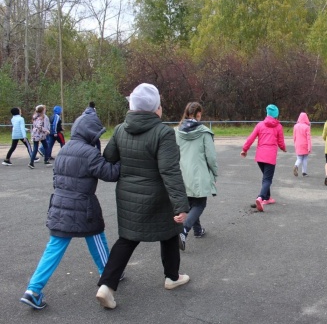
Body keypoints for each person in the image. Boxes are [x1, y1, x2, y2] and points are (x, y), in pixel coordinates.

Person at [96, 83, 190, 309]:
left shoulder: (119, 129)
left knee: (127, 239)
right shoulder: (163, 132)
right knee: (169, 232)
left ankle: (106, 286)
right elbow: (170, 171)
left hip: (128, 195)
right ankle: (172, 277)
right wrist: (181, 205)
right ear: (156, 109)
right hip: (158, 195)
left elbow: (109, 158)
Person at [19, 110, 121, 310]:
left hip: (59, 204)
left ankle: (33, 290)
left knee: (54, 248)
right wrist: (121, 160)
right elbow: (110, 173)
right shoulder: (90, 153)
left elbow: (56, 178)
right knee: (97, 238)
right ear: (90, 133)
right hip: (84, 206)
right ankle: (108, 273)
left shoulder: (64, 150)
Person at [175, 102, 218, 251]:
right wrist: (215, 172)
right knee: (199, 204)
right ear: (198, 114)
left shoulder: (176, 131)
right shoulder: (204, 132)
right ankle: (184, 230)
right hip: (199, 174)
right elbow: (211, 157)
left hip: (182, 173)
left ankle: (198, 230)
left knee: (192, 202)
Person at [240, 104, 286, 212]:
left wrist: (244, 149)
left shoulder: (260, 125)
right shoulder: (278, 127)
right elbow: (280, 142)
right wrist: (283, 148)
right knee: (267, 179)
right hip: (270, 157)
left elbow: (251, 138)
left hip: (260, 157)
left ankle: (267, 197)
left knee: (266, 177)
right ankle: (260, 198)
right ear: (276, 115)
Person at [292, 112, 312, 177]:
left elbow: (294, 137)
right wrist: (309, 147)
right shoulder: (307, 127)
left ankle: (296, 165)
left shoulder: (295, 126)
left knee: (299, 158)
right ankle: (304, 172)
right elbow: (308, 138)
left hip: (298, 144)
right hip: (305, 144)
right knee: (305, 158)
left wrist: (295, 143)